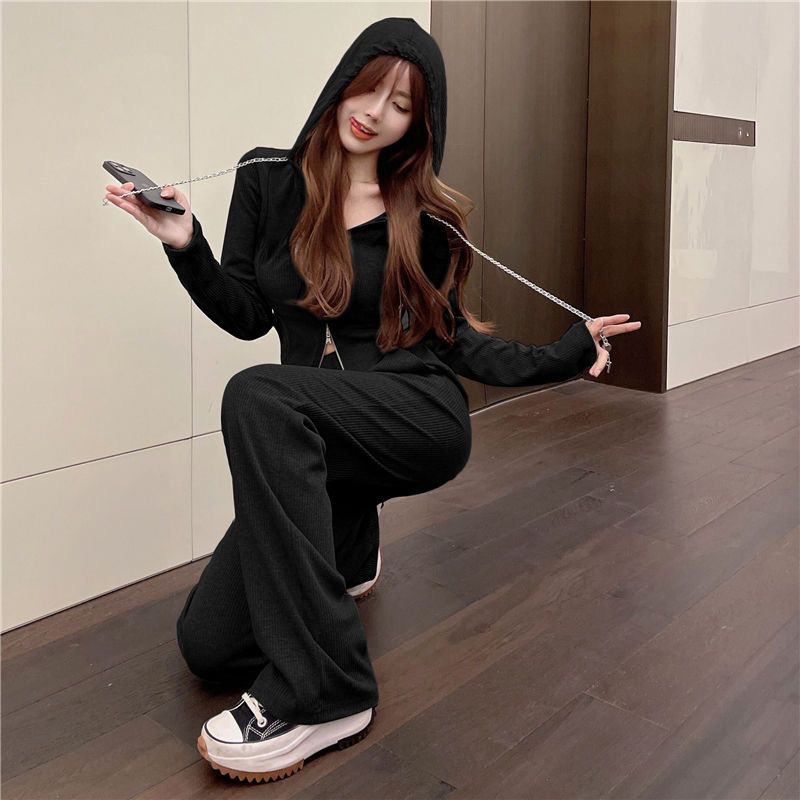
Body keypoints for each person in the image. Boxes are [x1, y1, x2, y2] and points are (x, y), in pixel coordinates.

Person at [104, 16, 641, 785]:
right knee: (208, 647)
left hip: (413, 411)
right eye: (370, 88)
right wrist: (186, 246)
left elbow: (458, 344)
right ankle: (349, 540)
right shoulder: (267, 179)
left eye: (402, 104)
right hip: (321, 435)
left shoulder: (423, 220)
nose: (376, 112)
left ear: (418, 125)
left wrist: (567, 351)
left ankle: (329, 690)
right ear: (344, 80)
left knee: (257, 398)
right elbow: (249, 315)